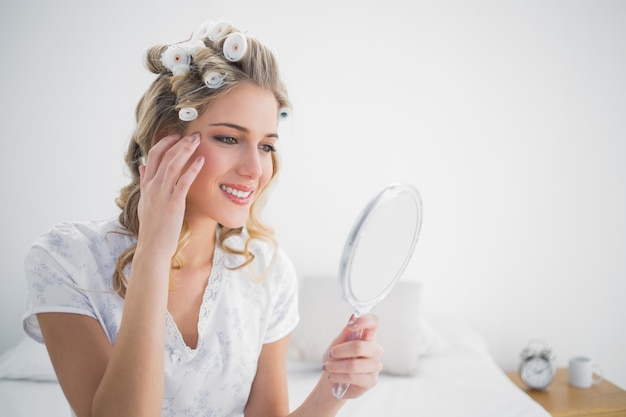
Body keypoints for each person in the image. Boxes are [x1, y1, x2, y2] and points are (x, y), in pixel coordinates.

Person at [22, 20, 382, 417]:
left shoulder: (267, 272)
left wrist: (333, 391)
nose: (255, 169)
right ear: (165, 141)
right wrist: (153, 256)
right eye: (229, 138)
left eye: (265, 145)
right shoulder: (67, 260)